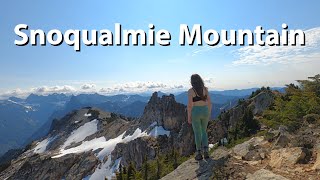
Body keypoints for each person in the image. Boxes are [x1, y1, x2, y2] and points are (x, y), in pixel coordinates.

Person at [187, 74, 212, 160]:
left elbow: (190, 105)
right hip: (205, 111)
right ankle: (206, 152)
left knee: (197, 133)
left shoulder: (191, 91)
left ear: (192, 82)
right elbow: (209, 102)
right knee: (204, 131)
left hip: (196, 112)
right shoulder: (205, 89)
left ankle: (199, 153)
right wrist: (209, 113)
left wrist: (189, 116)